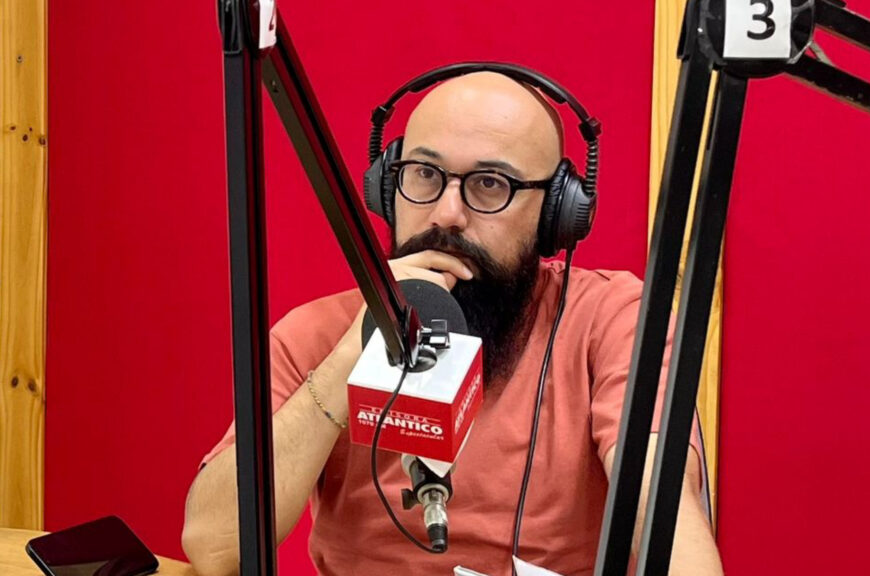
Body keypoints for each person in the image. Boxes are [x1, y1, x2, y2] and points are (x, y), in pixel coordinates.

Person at [181, 68, 723, 576]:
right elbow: (214, 546)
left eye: (490, 184)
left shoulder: (611, 320)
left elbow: (665, 513)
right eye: (424, 174)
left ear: (557, 213)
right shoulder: (317, 334)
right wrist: (352, 356)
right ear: (386, 188)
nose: (446, 214)